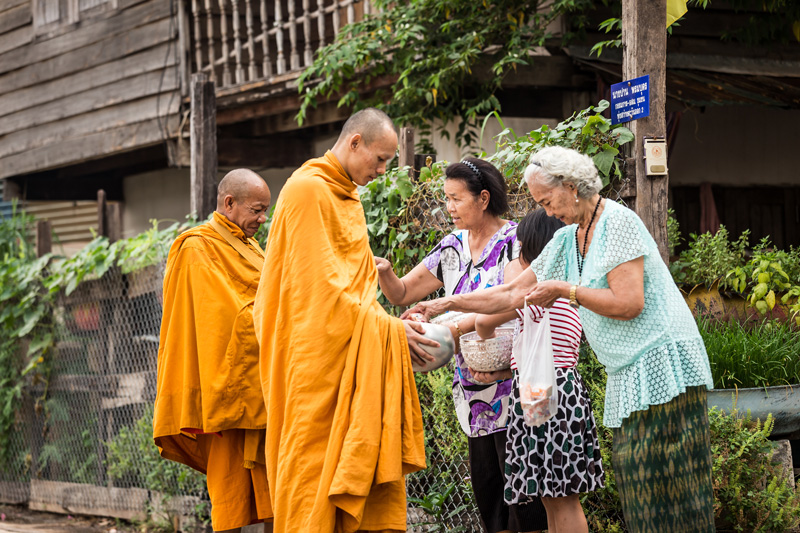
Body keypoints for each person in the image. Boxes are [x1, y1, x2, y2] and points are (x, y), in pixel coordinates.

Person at [404, 146, 716, 533]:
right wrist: (442, 304)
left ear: (571, 186)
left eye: (548, 201)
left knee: (669, 482)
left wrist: (568, 290)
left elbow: (629, 302)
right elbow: (509, 295)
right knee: (639, 484)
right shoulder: (569, 238)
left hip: (660, 363)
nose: (547, 212)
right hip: (626, 370)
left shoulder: (617, 222)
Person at [252, 108, 431, 533]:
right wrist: (390, 329)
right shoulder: (308, 191)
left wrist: (382, 326)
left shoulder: (344, 194)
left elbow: (353, 288)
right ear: (355, 143)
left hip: (348, 354)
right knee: (311, 473)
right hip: (314, 364)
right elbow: (319, 293)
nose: (384, 170)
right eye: (381, 159)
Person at [375, 157, 547, 533]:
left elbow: (516, 302)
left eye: (456, 198)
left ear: (483, 198)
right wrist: (385, 271)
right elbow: (403, 293)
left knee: (524, 498)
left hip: (512, 385)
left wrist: (449, 330)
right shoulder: (451, 246)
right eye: (446, 198)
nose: (448, 207)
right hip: (471, 392)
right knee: (489, 496)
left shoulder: (515, 242)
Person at [153, 168, 273, 533]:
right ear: (229, 203)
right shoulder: (196, 246)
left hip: (264, 382)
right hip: (227, 387)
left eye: (265, 210)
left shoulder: (251, 247)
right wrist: (273, 322)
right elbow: (217, 315)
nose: (262, 219)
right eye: (256, 209)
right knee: (231, 492)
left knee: (277, 492)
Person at [472, 210, 604, 533]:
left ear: (529, 250)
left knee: (559, 498)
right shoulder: (572, 284)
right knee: (553, 495)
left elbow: (482, 323)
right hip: (565, 389)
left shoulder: (535, 292)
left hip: (542, 391)